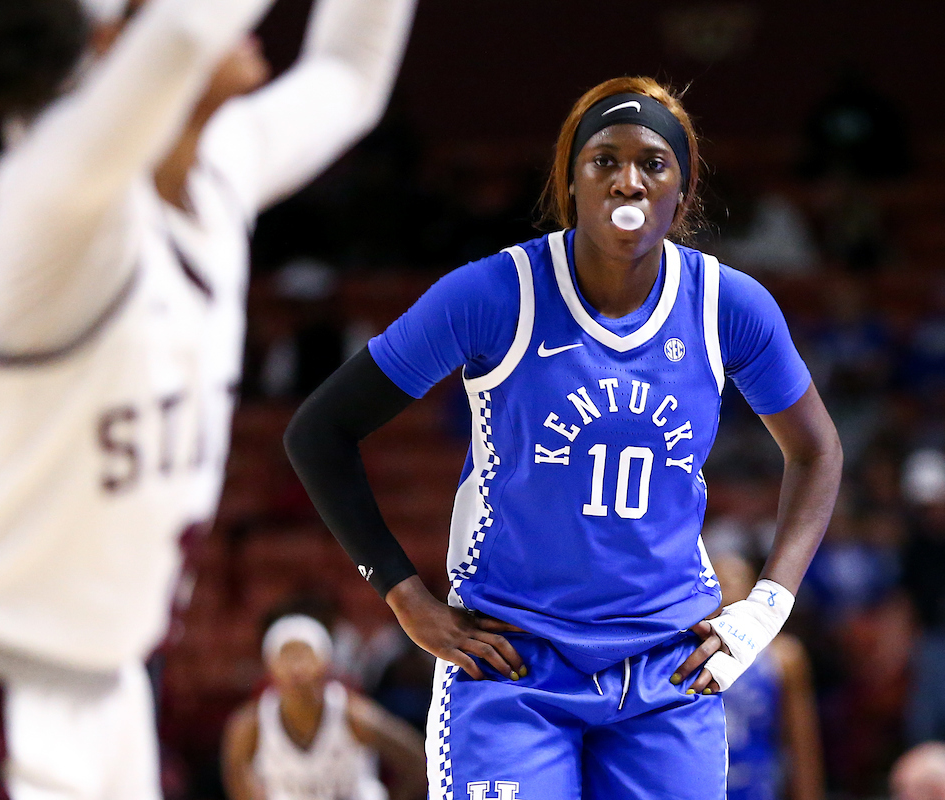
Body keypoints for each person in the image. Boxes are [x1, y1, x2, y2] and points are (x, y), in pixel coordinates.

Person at [0, 0, 419, 796]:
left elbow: (349, 76)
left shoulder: (217, 176)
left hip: (108, 697)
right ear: (110, 47)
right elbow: (183, 33)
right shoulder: (55, 208)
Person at [285, 76, 843, 799]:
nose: (627, 180)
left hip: (666, 668)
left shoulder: (728, 306)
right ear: (571, 181)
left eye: (652, 162)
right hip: (515, 667)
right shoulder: (494, 295)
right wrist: (404, 597)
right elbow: (318, 432)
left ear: (683, 187)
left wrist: (770, 601)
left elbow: (818, 449)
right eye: (603, 161)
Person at [221, 614, 426, 800]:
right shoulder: (250, 724)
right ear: (270, 665)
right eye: (286, 655)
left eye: (304, 654)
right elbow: (236, 777)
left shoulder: (353, 715)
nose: (295, 667)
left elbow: (417, 761)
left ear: (325, 662)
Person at [714, 553, 824, 800]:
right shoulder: (685, 650)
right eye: (719, 581)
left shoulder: (783, 656)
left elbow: (801, 744)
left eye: (735, 580)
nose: (726, 590)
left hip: (757, 784)